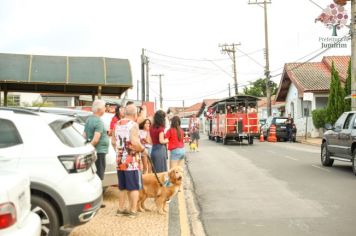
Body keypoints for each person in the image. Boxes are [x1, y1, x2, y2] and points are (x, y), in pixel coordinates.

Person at [112, 103, 146, 218]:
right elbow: (135, 142)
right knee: (134, 187)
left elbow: (113, 142)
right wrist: (142, 149)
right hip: (131, 161)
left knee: (122, 187)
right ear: (135, 114)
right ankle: (133, 210)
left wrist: (119, 151)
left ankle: (120, 209)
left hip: (119, 160)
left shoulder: (116, 124)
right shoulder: (133, 125)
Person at [83, 100, 109, 181]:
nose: (105, 109)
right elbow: (96, 139)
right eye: (104, 107)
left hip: (94, 152)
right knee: (99, 175)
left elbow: (84, 135)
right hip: (99, 152)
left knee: (93, 174)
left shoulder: (88, 119)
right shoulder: (98, 121)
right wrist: (89, 149)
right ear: (100, 109)